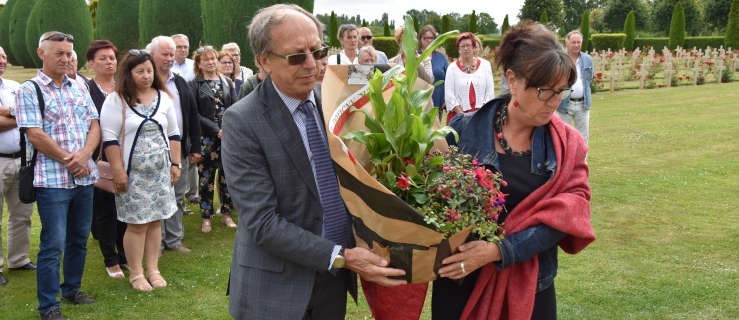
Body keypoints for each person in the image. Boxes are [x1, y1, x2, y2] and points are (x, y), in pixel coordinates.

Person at [222, 4, 407, 319]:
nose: (311, 64)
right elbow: (262, 223)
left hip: (331, 285)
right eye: (297, 56)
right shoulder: (242, 121)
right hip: (276, 290)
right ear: (263, 60)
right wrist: (343, 257)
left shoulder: (333, 103)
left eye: (317, 51)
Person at [436, 22, 595, 320]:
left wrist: (500, 251)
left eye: (561, 91)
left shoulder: (566, 145)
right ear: (512, 79)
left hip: (531, 287)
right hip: (460, 280)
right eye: (545, 90)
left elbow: (567, 215)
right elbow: (427, 199)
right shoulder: (462, 130)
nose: (554, 102)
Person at [16, 31, 100, 320]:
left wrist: (86, 155)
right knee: (53, 244)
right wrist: (70, 159)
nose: (65, 59)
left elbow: (94, 124)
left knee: (78, 238)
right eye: (59, 54)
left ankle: (72, 289)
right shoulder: (30, 90)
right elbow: (34, 134)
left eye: (69, 54)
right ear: (42, 54)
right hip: (52, 182)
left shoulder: (79, 86)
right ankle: (48, 307)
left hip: (84, 178)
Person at [100, 49, 181, 292]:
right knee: (136, 225)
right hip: (132, 175)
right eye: (140, 71)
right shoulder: (116, 100)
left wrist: (175, 164)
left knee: (155, 222)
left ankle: (153, 269)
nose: (146, 76)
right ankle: (136, 273)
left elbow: (174, 134)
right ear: (129, 73)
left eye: (149, 71)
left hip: (159, 173)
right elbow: (110, 138)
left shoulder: (163, 98)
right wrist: (118, 172)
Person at [146, 35, 201, 253]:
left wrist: (195, 147)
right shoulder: (144, 81)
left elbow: (192, 114)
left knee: (178, 195)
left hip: (179, 150)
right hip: (152, 151)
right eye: (165, 54)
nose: (170, 58)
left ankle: (174, 239)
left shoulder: (179, 82)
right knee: (156, 197)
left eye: (172, 54)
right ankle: (156, 242)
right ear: (152, 55)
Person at [85, 40, 127, 279]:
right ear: (91, 63)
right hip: (98, 159)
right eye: (103, 58)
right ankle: (110, 258)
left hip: (125, 156)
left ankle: (123, 253)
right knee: (104, 210)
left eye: (112, 57)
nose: (110, 62)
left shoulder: (123, 88)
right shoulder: (86, 91)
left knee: (123, 208)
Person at [189, 46, 237, 233]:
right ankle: (206, 216)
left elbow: (234, 107)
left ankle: (226, 213)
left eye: (212, 58)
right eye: (206, 60)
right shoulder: (195, 84)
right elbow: (195, 114)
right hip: (207, 138)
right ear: (199, 64)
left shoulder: (226, 82)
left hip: (228, 137)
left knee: (227, 177)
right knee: (206, 178)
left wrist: (229, 128)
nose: (210, 62)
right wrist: (216, 129)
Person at [0, 46, 35, 287]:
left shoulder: (15, 86)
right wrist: (19, 117)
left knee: (22, 214)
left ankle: (19, 259)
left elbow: (31, 115)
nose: (3, 60)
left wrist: (11, 115)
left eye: (3, 55)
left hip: (20, 159)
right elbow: (23, 118)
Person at [444, 32, 495, 122]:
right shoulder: (452, 68)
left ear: (473, 47)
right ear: (458, 49)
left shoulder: (485, 65)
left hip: (482, 116)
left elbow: (490, 92)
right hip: (458, 118)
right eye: (462, 46)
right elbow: (449, 95)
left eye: (468, 45)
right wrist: (462, 115)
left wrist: (481, 113)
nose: (466, 48)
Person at [556, 30, 593, 145]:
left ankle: (582, 163)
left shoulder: (587, 59)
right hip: (564, 105)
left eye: (579, 42)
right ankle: (563, 163)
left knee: (583, 138)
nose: (576, 45)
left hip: (583, 104)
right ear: (567, 43)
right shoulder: (560, 59)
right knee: (561, 137)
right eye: (573, 42)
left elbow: (589, 79)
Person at [418, 25, 448, 110]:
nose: (429, 40)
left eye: (431, 38)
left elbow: (448, 79)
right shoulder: (415, 57)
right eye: (425, 38)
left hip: (438, 102)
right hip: (420, 103)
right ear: (420, 39)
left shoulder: (441, 58)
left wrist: (446, 99)